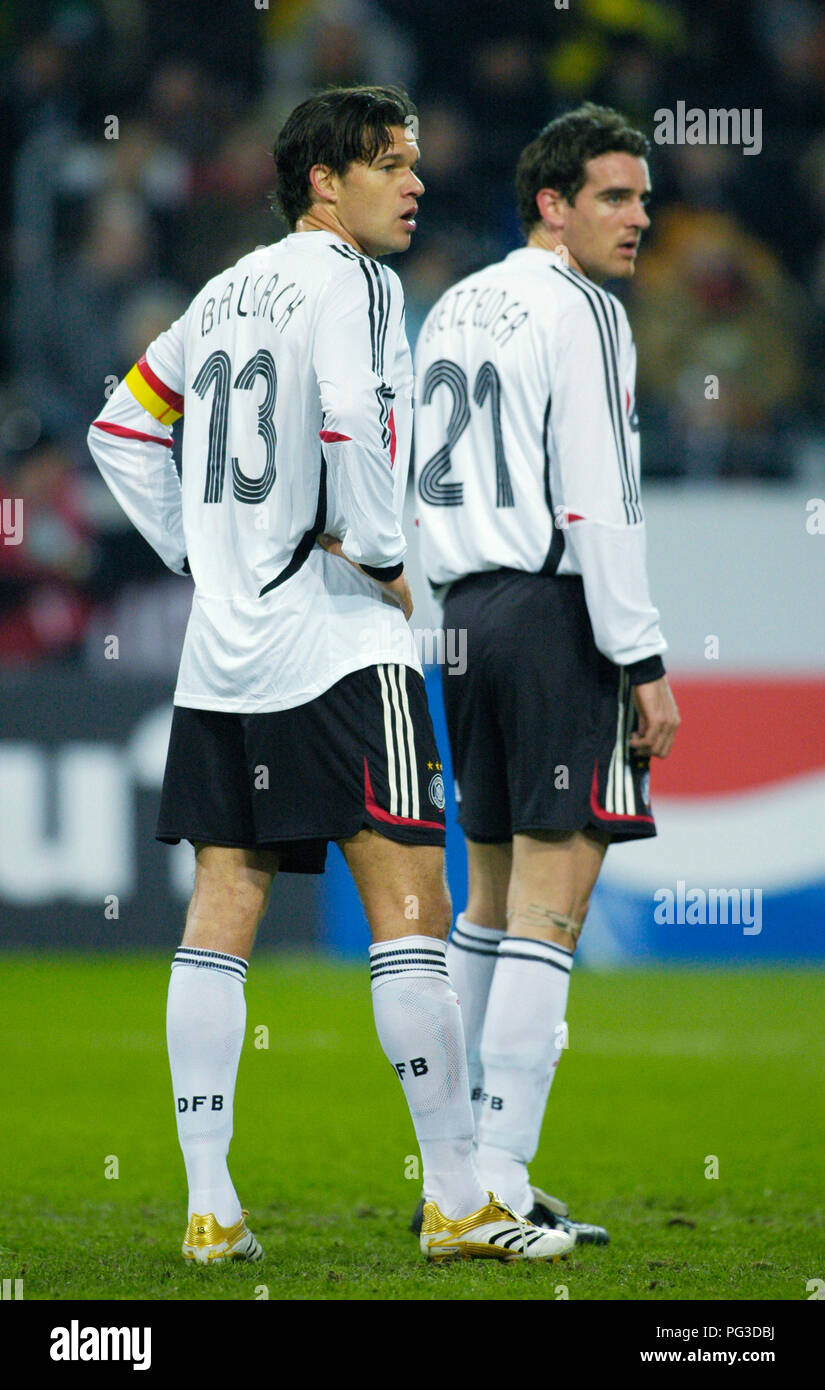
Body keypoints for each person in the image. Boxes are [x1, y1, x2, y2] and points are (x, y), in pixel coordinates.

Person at [87, 85, 575, 1265]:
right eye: (391, 163)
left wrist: (207, 553)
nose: (414, 183)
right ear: (325, 181)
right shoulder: (355, 282)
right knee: (413, 907)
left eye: (414, 160)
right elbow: (356, 424)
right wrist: (385, 553)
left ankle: (210, 1206)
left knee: (223, 910)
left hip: (226, 651)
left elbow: (118, 431)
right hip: (342, 640)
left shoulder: (218, 290)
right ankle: (458, 1199)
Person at [412, 102, 681, 1243]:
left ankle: (460, 1173)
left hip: (465, 615)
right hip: (558, 611)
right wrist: (647, 657)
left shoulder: (453, 305)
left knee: (485, 898)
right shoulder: (583, 310)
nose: (637, 219)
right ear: (552, 205)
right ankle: (501, 1175)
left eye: (645, 199)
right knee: (551, 903)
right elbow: (599, 498)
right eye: (613, 197)